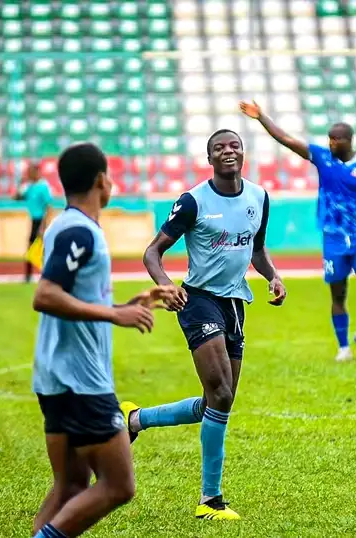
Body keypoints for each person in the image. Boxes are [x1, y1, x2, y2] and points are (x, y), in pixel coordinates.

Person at [121, 129, 287, 521]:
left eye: (234, 146)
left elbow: (257, 249)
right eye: (219, 148)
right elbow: (153, 252)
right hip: (197, 301)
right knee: (222, 395)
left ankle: (134, 420)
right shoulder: (193, 201)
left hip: (235, 303)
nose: (228, 151)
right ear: (209, 158)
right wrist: (166, 286)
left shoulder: (259, 197)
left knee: (217, 401)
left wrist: (273, 276)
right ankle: (210, 500)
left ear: (243, 153)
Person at [31, 142, 174, 538]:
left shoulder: (63, 225)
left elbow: (75, 298)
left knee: (70, 487)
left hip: (56, 376)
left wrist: (129, 305)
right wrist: (114, 314)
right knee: (118, 485)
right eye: (108, 175)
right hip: (81, 381)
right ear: (100, 181)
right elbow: (46, 295)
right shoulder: (79, 231)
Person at [239, 100, 356, 361]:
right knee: (339, 293)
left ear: (348, 141)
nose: (331, 143)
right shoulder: (322, 157)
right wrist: (261, 117)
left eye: (336, 139)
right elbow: (286, 139)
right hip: (333, 238)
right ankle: (343, 347)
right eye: (329, 139)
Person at [13, 163, 53, 282]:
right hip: (34, 220)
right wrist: (20, 185)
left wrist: (43, 226)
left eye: (30, 172)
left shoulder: (43, 187)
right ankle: (29, 276)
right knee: (32, 248)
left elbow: (49, 207)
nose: (28, 175)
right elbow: (17, 198)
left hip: (40, 220)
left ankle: (44, 276)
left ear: (37, 172)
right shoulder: (30, 187)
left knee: (41, 249)